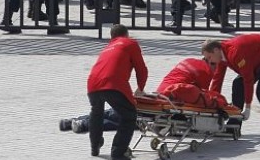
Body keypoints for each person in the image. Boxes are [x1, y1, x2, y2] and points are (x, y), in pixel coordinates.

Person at [62, 57, 213, 134]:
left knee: (115, 113)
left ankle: (74, 121)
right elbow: (200, 98)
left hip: (155, 99)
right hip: (162, 108)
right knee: (121, 120)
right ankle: (83, 124)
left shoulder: (185, 68)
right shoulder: (198, 81)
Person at [202, 34, 260, 140]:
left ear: (215, 50)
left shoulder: (235, 54)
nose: (210, 62)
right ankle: (234, 126)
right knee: (237, 85)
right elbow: (217, 80)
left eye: (209, 57)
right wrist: (213, 102)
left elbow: (248, 79)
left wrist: (248, 107)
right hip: (257, 58)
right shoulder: (221, 55)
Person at [86, 24, 148, 160]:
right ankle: (118, 154)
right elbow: (141, 68)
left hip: (92, 84)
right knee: (128, 116)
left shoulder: (107, 47)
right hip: (113, 84)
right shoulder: (130, 43)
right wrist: (140, 88)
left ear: (112, 37)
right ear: (126, 34)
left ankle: (94, 146)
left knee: (96, 113)